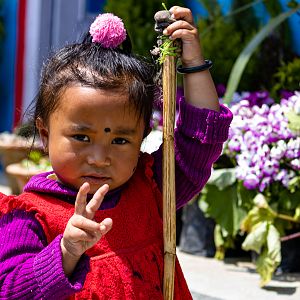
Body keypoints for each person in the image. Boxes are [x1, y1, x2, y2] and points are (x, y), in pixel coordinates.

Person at [0, 6, 232, 299]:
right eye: (81, 136)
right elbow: (10, 290)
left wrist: (194, 63)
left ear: (141, 139)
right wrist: (65, 253)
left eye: (120, 141)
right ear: (45, 134)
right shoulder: (26, 217)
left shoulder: (153, 186)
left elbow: (200, 141)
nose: (99, 157)